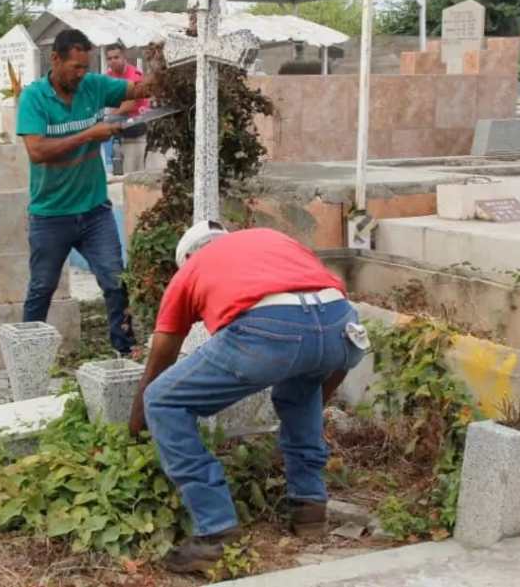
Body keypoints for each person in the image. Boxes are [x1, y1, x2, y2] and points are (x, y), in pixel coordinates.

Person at [128, 222, 366, 574]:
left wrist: (137, 422)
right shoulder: (274, 239)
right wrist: (316, 400)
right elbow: (326, 303)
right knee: (300, 392)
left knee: (164, 399)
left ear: (189, 256)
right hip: (342, 327)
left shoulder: (192, 268)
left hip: (269, 331)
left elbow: (163, 353)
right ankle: (310, 508)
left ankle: (216, 533)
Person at [17, 29, 154, 355]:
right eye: (75, 67)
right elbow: (37, 151)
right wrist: (89, 134)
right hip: (50, 215)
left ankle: (124, 352)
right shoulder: (34, 98)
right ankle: (27, 359)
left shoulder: (93, 86)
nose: (81, 74)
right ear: (55, 59)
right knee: (41, 288)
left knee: (115, 281)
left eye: (85, 67)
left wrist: (161, 62)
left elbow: (141, 89)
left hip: (94, 212)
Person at [101, 43, 150, 171]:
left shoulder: (134, 75)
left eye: (116, 57)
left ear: (124, 57)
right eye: (109, 58)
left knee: (132, 172)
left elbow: (130, 104)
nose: (113, 61)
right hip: (118, 128)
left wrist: (109, 116)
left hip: (136, 129)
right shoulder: (108, 77)